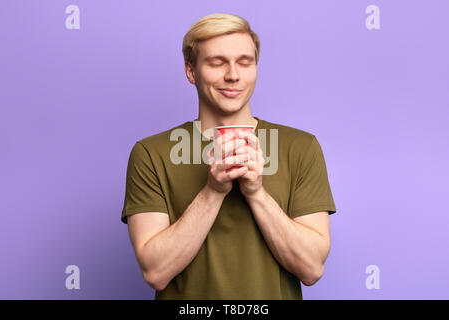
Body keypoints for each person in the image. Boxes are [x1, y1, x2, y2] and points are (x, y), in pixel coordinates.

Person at [121, 13, 337, 300]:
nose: (233, 74)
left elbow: (311, 269)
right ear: (191, 71)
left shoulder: (300, 147)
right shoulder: (151, 154)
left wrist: (257, 193)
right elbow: (155, 272)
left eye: (245, 62)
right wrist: (213, 191)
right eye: (217, 62)